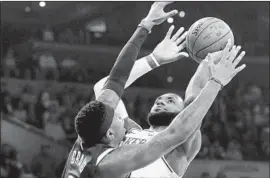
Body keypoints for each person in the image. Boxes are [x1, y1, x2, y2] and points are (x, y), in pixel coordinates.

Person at [94, 30, 246, 177]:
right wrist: (153, 60)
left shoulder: (182, 144)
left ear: (183, 111)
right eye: (158, 101)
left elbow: (193, 100)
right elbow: (102, 88)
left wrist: (207, 63)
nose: (160, 102)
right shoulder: (130, 130)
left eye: (170, 100)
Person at [61, 2, 179, 178]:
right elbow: (185, 127)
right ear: (109, 133)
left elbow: (114, 80)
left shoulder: (89, 135)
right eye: (117, 117)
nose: (122, 117)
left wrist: (147, 30)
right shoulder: (106, 164)